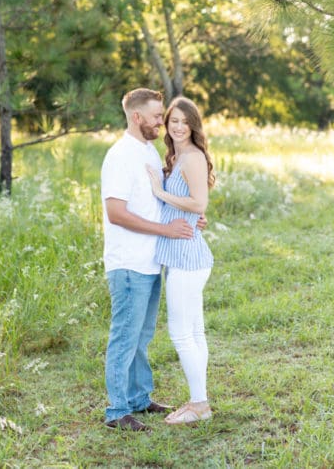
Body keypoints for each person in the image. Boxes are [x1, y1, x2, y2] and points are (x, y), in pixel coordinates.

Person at [101, 88, 198, 432]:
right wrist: (165, 230)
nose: (163, 122)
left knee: (141, 337)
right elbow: (116, 213)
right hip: (128, 264)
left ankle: (140, 399)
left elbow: (156, 201)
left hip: (150, 261)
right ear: (137, 117)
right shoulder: (120, 156)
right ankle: (117, 411)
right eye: (157, 116)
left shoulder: (148, 150)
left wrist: (187, 221)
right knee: (125, 337)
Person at [146, 96, 215, 425]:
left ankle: (199, 405)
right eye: (173, 120)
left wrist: (161, 193)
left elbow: (199, 202)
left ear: (193, 126)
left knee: (181, 333)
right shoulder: (177, 155)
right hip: (183, 254)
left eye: (185, 122)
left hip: (188, 259)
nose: (177, 126)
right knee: (195, 331)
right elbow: (192, 208)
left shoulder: (193, 158)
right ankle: (200, 401)